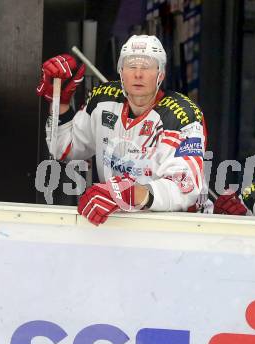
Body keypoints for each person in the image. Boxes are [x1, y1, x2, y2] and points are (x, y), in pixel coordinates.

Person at [37, 35, 207, 225]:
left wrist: (131, 192)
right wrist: (59, 102)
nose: (138, 74)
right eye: (131, 66)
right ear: (121, 71)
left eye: (147, 66)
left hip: (179, 227)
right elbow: (64, 149)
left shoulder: (182, 116)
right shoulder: (103, 99)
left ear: (161, 74)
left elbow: (185, 190)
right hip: (117, 223)